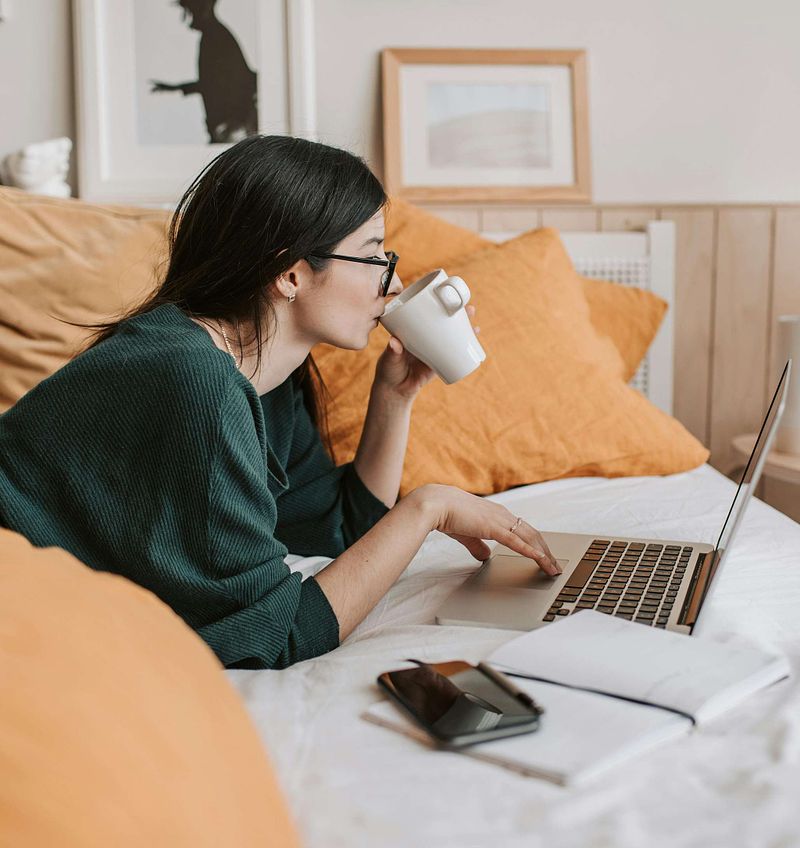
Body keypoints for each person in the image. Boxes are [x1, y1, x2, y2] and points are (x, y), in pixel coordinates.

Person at [0, 135, 559, 670]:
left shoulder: (261, 373)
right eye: (373, 256)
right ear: (290, 273)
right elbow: (277, 635)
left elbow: (333, 534)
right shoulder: (195, 381)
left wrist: (395, 395)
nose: (391, 284)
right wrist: (427, 509)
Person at [150, 0, 258, 143]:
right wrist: (174, 88)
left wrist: (234, 124)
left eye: (191, 10)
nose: (188, 17)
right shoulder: (214, 36)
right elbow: (211, 83)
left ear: (204, 9)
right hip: (229, 127)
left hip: (232, 128)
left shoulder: (216, 37)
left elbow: (239, 81)